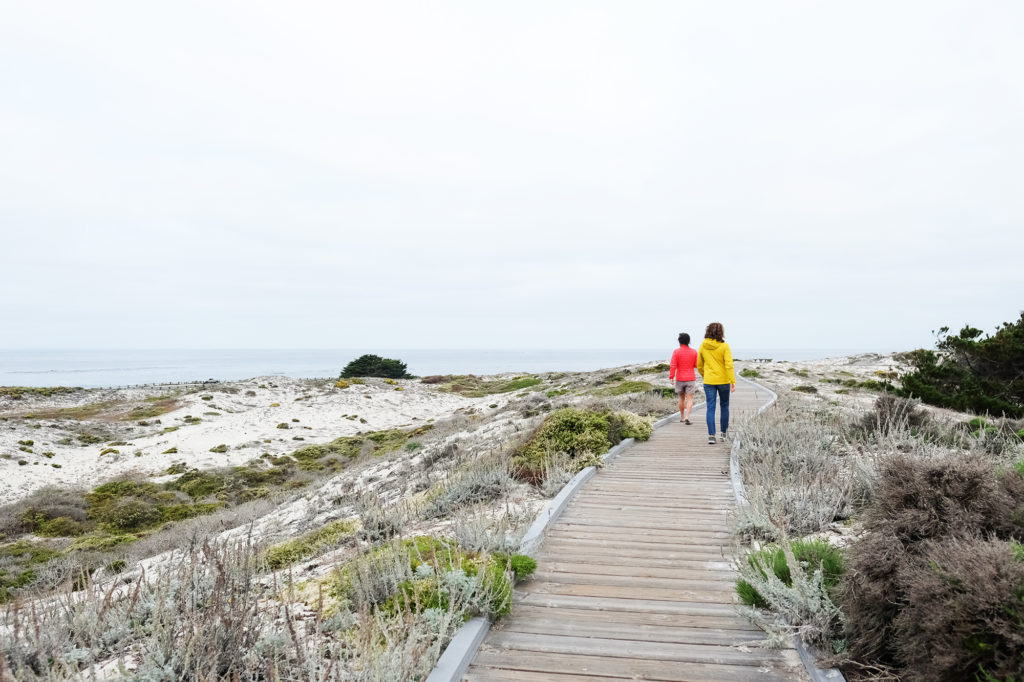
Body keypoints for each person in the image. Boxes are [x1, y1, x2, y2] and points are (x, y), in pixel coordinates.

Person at [696, 322, 736, 445]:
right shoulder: (725, 346)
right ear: (721, 332)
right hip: (723, 381)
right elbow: (729, 365)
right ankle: (723, 433)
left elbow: (699, 365)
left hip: (709, 381)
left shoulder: (703, 345)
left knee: (710, 407)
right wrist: (732, 381)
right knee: (724, 406)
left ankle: (711, 436)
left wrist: (705, 375)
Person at [669, 332, 698, 425]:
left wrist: (671, 377)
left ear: (679, 341)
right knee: (689, 399)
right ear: (688, 341)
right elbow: (696, 365)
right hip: (690, 378)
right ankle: (687, 417)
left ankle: (682, 417)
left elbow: (673, 365)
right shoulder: (694, 352)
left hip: (680, 378)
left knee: (681, 398)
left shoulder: (676, 352)